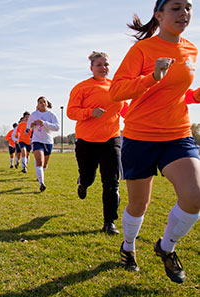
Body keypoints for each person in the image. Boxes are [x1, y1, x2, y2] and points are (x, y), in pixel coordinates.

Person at [109, 0, 200, 283]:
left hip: (178, 134)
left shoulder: (191, 49)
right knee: (139, 205)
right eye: (176, 7)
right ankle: (128, 246)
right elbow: (116, 92)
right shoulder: (142, 49)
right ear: (159, 15)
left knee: (195, 195)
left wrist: (196, 96)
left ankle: (166, 247)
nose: (184, 12)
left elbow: (175, 94)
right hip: (140, 137)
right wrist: (151, 77)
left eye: (188, 7)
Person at [67, 51, 128, 236]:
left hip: (111, 139)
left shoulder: (117, 87)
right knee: (88, 176)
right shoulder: (82, 87)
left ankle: (109, 222)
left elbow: (126, 111)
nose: (103, 68)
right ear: (91, 68)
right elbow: (71, 112)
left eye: (106, 64)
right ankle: (83, 183)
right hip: (87, 141)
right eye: (99, 65)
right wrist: (90, 112)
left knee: (112, 182)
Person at [27, 97, 59, 192]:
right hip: (37, 140)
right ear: (38, 104)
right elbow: (28, 126)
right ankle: (41, 183)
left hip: (48, 141)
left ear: (47, 103)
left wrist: (44, 123)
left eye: (44, 102)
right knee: (39, 161)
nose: (42, 104)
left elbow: (57, 127)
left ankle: (40, 174)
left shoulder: (51, 114)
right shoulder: (33, 114)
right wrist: (32, 125)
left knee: (44, 164)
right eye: (40, 102)